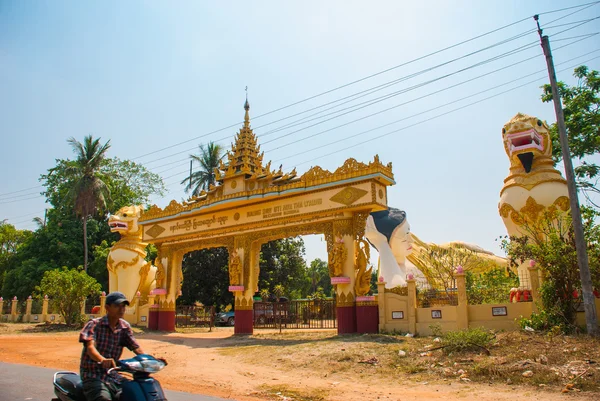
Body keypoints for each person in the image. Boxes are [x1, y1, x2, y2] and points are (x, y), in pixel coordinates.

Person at [79, 291, 144, 401]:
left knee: (135, 392)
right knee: (103, 398)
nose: (121, 309)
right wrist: (102, 360)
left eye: (123, 306)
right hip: (93, 374)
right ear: (107, 308)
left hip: (113, 375)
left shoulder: (124, 327)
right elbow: (90, 347)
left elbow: (136, 347)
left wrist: (150, 360)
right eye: (117, 306)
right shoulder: (94, 324)